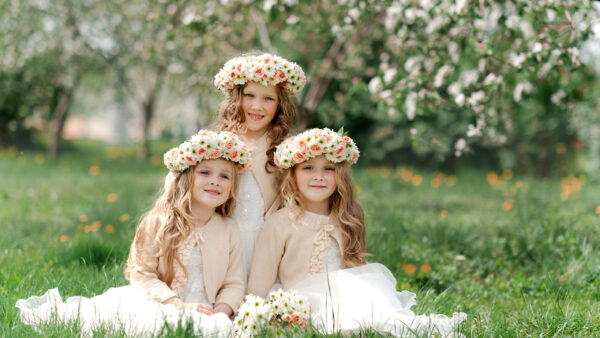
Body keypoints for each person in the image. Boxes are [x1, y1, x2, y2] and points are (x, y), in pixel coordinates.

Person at [16, 130, 250, 336]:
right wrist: (175, 304)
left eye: (224, 176)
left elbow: (233, 283)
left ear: (232, 186)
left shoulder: (228, 229)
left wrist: (220, 311)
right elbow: (141, 274)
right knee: (151, 323)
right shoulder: (160, 221)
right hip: (161, 303)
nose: (215, 182)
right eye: (205, 172)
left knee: (220, 329)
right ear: (187, 176)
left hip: (205, 309)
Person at [247, 128, 466, 337]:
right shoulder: (280, 223)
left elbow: (355, 272)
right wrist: (257, 311)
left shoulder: (347, 217)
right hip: (302, 300)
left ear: (340, 174)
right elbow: (259, 282)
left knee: (376, 313)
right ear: (293, 174)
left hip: (346, 295)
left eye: (328, 169)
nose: (318, 176)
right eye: (308, 168)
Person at [214, 52, 306, 281]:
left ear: (280, 105)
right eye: (249, 95)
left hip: (265, 243)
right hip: (223, 240)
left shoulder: (284, 149)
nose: (257, 106)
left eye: (268, 99)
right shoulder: (220, 143)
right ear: (237, 97)